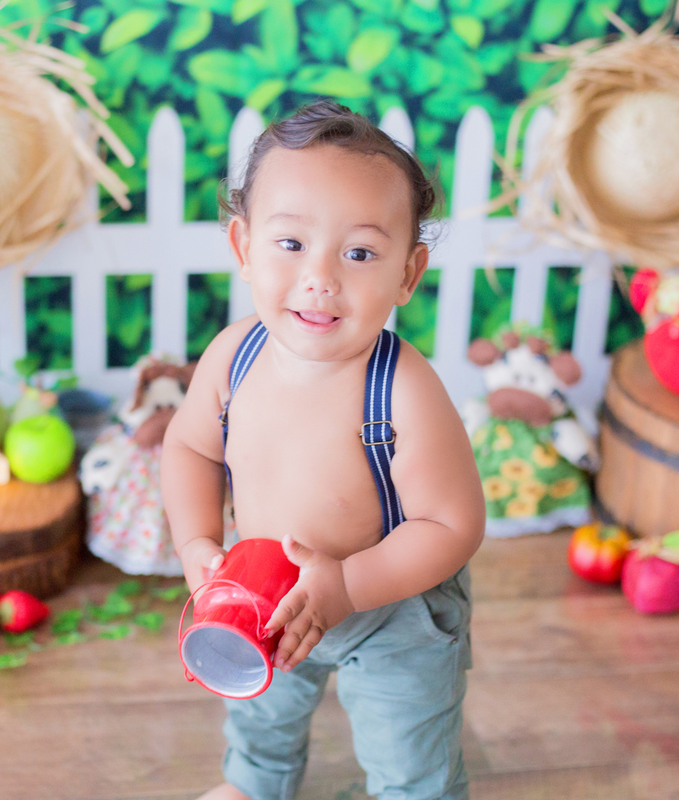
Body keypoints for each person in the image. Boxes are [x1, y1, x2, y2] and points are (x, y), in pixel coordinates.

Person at [161, 99, 486, 800]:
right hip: (262, 592)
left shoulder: (403, 389)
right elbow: (189, 446)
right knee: (260, 712)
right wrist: (195, 546)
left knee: (409, 748)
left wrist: (347, 587)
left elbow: (454, 525)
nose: (322, 277)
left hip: (391, 609)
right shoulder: (233, 356)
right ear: (244, 248)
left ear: (408, 272)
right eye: (291, 244)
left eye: (360, 252)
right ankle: (254, 781)